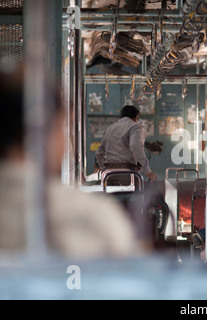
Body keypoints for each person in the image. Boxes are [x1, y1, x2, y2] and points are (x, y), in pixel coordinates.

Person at [0, 65, 144, 260]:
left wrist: (100, 167)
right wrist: (147, 169)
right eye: (62, 127)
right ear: (41, 132)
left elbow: (101, 151)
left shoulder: (111, 129)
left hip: (109, 174)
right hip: (129, 177)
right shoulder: (90, 218)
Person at [96, 105, 158, 184]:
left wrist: (103, 168)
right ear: (136, 117)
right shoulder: (135, 126)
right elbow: (136, 147)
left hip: (108, 173)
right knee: (130, 196)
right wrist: (148, 171)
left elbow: (99, 152)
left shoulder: (110, 128)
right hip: (126, 173)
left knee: (110, 196)